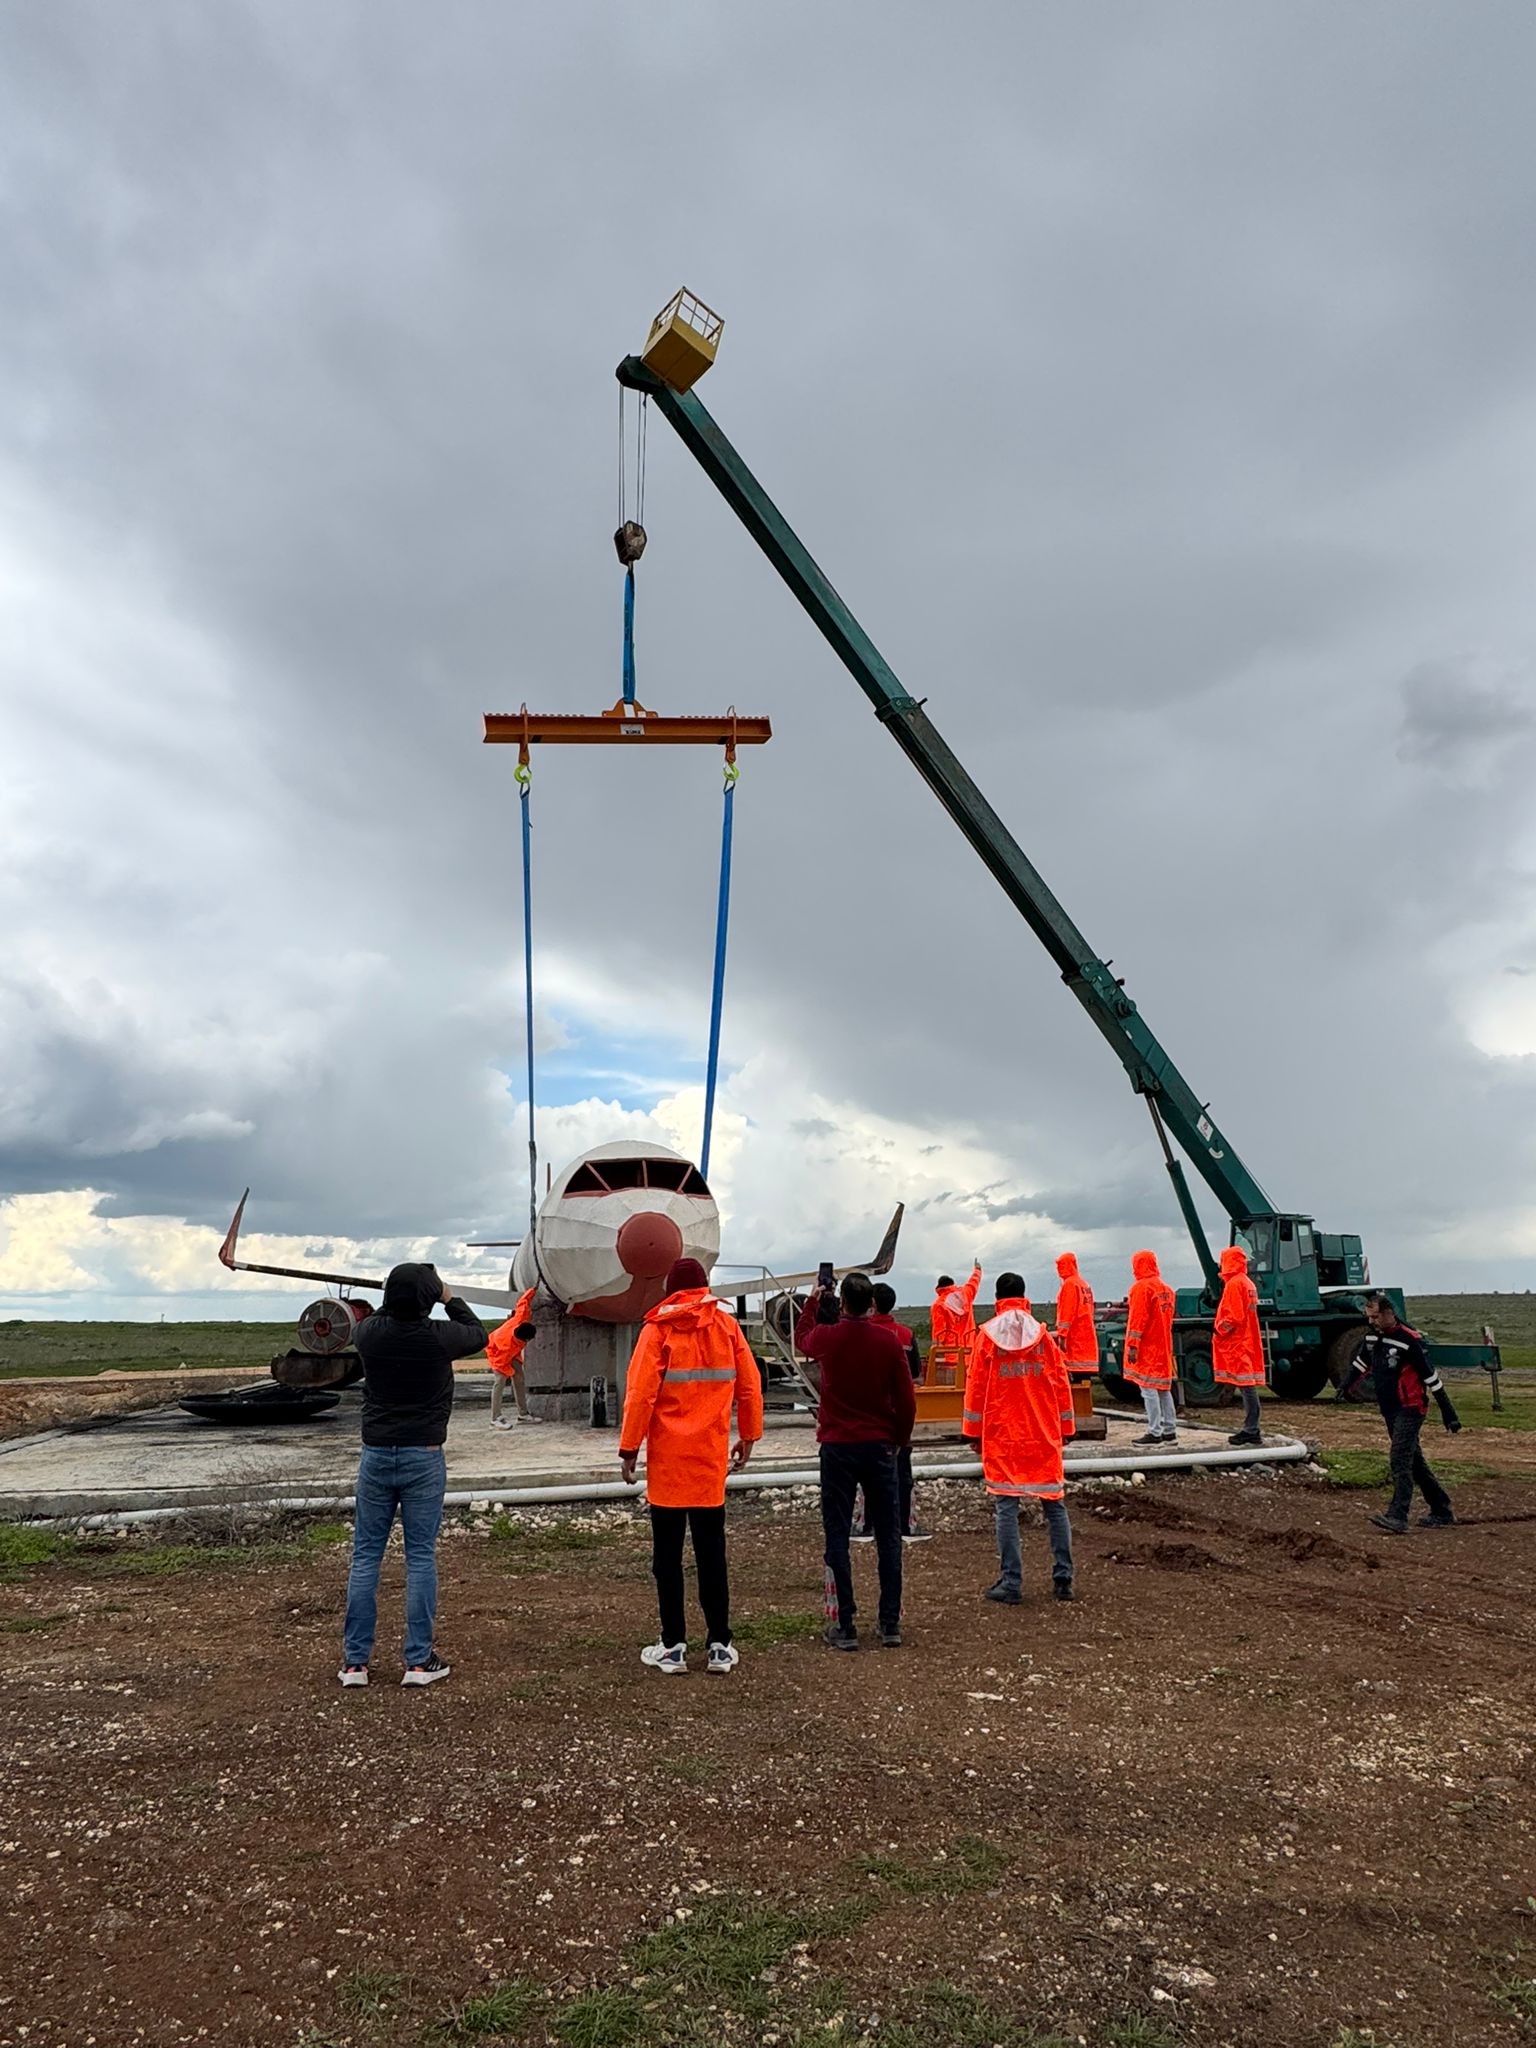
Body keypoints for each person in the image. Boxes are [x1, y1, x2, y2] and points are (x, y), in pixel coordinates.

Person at [340, 1263, 486, 1689]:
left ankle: (355, 1663)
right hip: (424, 1454)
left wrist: (402, 1292)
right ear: (426, 1298)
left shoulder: (368, 1334)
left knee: (366, 1556)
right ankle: (418, 1661)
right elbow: (477, 1333)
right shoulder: (438, 1338)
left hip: (376, 1454)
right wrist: (448, 1296)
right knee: (420, 1556)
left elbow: (376, 1317)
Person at [619, 1257, 764, 1674]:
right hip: (708, 1462)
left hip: (667, 1465)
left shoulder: (656, 1331)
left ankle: (673, 1646)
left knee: (667, 1557)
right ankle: (719, 1644)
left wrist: (630, 1448)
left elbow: (640, 1395)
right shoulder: (726, 1326)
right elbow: (750, 1385)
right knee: (711, 1554)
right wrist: (749, 1436)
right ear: (704, 1287)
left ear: (669, 1289)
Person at [796, 1271, 917, 1651]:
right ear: (872, 1303)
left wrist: (813, 1302)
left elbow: (802, 1341)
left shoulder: (830, 1339)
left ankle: (844, 1624)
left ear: (843, 1302)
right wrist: (899, 1440)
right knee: (888, 1535)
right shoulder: (887, 1341)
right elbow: (907, 1399)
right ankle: (889, 1622)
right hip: (879, 1446)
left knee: (837, 1534)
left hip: (837, 1447)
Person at [964, 1272, 1076, 1603]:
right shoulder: (1045, 1339)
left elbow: (976, 1389)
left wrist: (973, 1433)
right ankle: (1063, 1578)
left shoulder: (986, 1338)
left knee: (1006, 1507)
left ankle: (1011, 1581)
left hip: (1004, 1435)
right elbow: (1060, 1384)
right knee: (1054, 1504)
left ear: (998, 1297)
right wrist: (1066, 1429)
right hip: (1041, 1433)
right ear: (1024, 1295)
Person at [1340, 1294, 1461, 1534]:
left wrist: (1449, 1414)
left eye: (1375, 1317)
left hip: (1411, 1409)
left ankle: (1398, 1515)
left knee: (1399, 1459)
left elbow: (1431, 1379)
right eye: (1369, 1317)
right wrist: (1346, 1385)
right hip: (1389, 1409)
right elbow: (1362, 1363)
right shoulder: (1372, 1337)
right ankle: (1441, 1509)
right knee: (1415, 1463)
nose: (1372, 1321)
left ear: (1389, 1313)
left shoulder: (1410, 1341)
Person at [852, 1283, 930, 1543]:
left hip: (867, 1418)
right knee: (902, 1474)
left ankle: (867, 1525)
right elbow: (916, 1378)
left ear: (871, 1303)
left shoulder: (862, 1334)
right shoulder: (906, 1336)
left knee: (867, 1474)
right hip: (898, 1418)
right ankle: (904, 1525)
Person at [1212, 1245, 1266, 1445]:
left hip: (1238, 1342)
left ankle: (1251, 1429)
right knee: (1247, 1385)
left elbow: (1234, 1316)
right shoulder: (1247, 1283)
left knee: (1246, 1385)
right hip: (1247, 1339)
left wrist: (1219, 1329)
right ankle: (1252, 1428)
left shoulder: (1235, 1284)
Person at [1125, 1248, 1178, 1446]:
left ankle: (1154, 1431)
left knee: (1148, 1390)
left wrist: (1132, 1346)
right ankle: (1170, 1430)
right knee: (1163, 1388)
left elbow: (1137, 1320)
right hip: (1163, 1345)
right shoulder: (1166, 1289)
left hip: (1147, 1348)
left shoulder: (1141, 1288)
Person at [485, 1285, 544, 1429]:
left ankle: (523, 1414)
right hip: (496, 1352)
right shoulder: (506, 1345)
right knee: (499, 1382)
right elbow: (502, 1365)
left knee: (520, 1378)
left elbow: (522, 1303)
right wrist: (511, 1373)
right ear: (525, 1340)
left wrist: (532, 1291)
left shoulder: (521, 1319)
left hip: (513, 1352)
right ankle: (495, 1418)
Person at [930, 1263, 983, 1378]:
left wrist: (935, 1352)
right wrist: (977, 1270)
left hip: (951, 1357)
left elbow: (940, 1333)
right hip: (970, 1352)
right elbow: (974, 1282)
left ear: (939, 1288)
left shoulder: (938, 1305)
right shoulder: (966, 1294)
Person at [1053, 1251, 1099, 1382]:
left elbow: (1066, 1313)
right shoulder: (1084, 1285)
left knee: (1075, 1384)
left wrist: (1062, 1335)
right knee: (1084, 1382)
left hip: (1074, 1342)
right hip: (1087, 1339)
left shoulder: (1070, 1285)